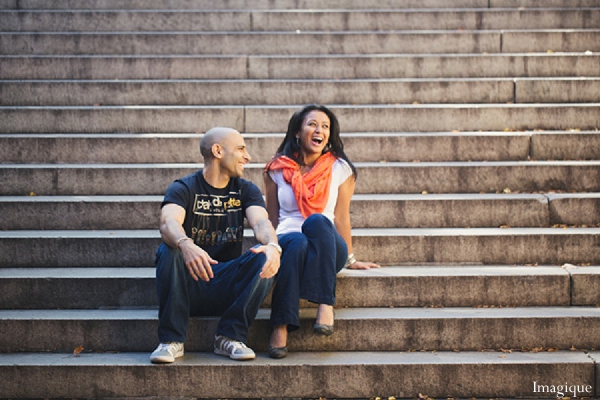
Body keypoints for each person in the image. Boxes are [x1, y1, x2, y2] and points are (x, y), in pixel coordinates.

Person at [150, 127, 282, 363]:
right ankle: (171, 340)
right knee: (168, 250)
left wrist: (273, 245)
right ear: (217, 151)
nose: (247, 156)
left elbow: (261, 222)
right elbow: (168, 222)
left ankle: (229, 337)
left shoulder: (245, 190)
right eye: (241, 149)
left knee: (265, 255)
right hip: (187, 283)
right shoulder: (184, 187)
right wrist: (185, 244)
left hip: (225, 282)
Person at [264, 104, 379, 359]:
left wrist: (350, 258)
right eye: (312, 124)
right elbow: (270, 218)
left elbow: (340, 216)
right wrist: (267, 247)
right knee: (295, 242)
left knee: (316, 221)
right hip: (289, 242)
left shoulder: (340, 168)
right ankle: (280, 327)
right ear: (297, 132)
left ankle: (325, 302)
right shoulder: (276, 169)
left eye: (325, 126)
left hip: (327, 245)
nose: (320, 130)